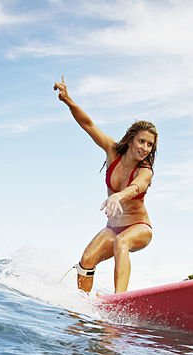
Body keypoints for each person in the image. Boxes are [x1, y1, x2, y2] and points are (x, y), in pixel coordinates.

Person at [54, 76, 156, 293]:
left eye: (150, 145)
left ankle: (120, 299)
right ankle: (83, 304)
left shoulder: (144, 170)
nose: (145, 148)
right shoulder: (112, 151)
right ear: (130, 140)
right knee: (87, 259)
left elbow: (137, 187)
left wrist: (118, 196)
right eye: (142, 141)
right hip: (114, 227)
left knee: (122, 242)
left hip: (139, 228)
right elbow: (88, 125)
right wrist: (68, 101)